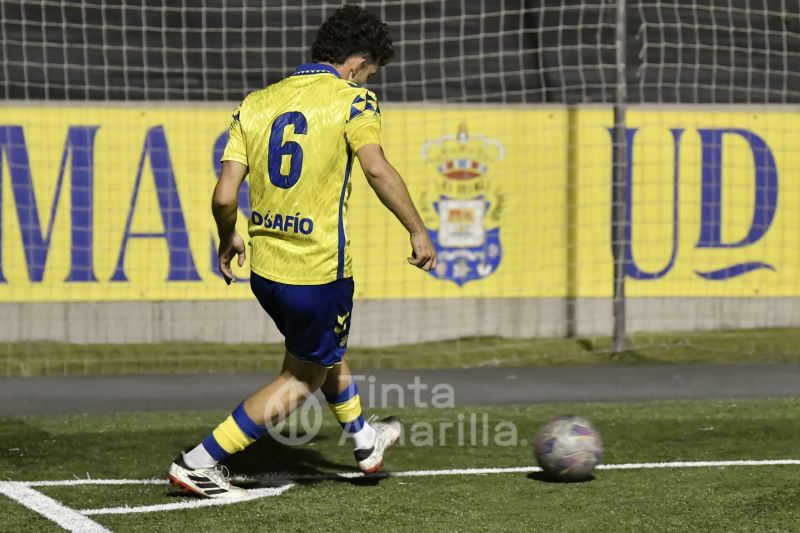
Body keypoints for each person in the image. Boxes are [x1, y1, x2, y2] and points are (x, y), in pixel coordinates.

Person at [167, 4, 436, 499]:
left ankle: (364, 445)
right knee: (302, 376)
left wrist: (229, 236)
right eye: (370, 73)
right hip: (317, 270)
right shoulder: (353, 101)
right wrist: (417, 229)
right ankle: (199, 461)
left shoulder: (256, 102)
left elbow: (225, 196)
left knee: (324, 349)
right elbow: (376, 169)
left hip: (266, 272)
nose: (368, 81)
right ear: (356, 65)